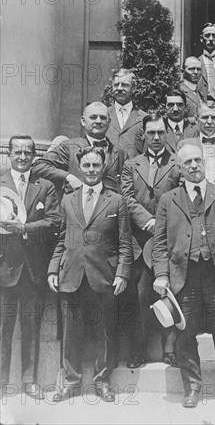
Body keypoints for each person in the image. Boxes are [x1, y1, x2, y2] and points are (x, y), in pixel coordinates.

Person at [152, 144, 215, 409]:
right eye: (188, 163)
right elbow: (159, 242)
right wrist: (161, 274)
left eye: (197, 160)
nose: (194, 165)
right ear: (180, 169)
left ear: (205, 163)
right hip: (183, 276)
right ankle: (192, 388)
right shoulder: (168, 199)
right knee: (186, 335)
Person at [48, 146, 133, 403]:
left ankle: (102, 381)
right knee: (71, 332)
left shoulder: (116, 200)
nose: (91, 170)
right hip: (71, 275)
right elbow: (62, 239)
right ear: (79, 167)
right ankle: (71, 382)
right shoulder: (68, 199)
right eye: (86, 166)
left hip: (103, 276)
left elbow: (124, 243)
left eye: (96, 165)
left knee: (104, 332)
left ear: (103, 166)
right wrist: (53, 269)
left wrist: (122, 273)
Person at [0, 135, 60, 399]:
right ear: (9, 154)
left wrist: (25, 228)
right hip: (5, 268)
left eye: (27, 152)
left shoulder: (45, 186)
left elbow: (54, 222)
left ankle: (29, 380)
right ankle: (2, 380)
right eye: (17, 152)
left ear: (34, 155)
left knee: (31, 327)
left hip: (34, 269)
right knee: (3, 327)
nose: (22, 157)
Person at [120, 114, 180, 369]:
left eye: (160, 132)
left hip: (171, 239)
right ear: (143, 134)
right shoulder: (131, 164)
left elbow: (182, 196)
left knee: (172, 291)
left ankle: (171, 349)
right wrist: (149, 221)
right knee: (143, 294)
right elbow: (126, 197)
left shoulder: (178, 164)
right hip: (141, 239)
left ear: (167, 134)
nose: (156, 138)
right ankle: (138, 349)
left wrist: (163, 224)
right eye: (151, 133)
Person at [32, 101, 129, 195]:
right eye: (93, 117)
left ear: (109, 122)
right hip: (76, 206)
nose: (98, 121)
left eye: (103, 118)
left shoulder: (120, 153)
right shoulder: (69, 147)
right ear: (83, 121)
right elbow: (38, 165)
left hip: (108, 209)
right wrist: (68, 177)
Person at [178, 101, 215, 187]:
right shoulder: (185, 145)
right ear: (196, 120)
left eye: (214, 117)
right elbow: (180, 176)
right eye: (205, 117)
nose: (210, 121)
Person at [106, 69, 148, 157]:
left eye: (125, 85)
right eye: (116, 85)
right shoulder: (103, 115)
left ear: (134, 88)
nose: (120, 88)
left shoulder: (144, 118)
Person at [180, 56, 204, 122]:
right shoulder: (178, 91)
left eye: (198, 69)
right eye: (191, 69)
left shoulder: (200, 92)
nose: (196, 72)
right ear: (183, 71)